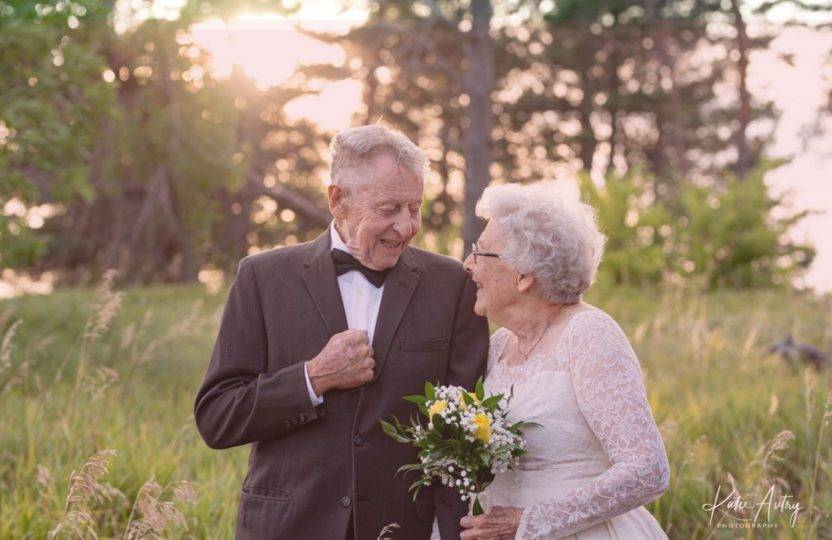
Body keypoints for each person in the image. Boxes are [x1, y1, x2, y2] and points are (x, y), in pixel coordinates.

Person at [194, 124, 489, 539]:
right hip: (287, 528)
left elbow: (465, 438)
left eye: (415, 208)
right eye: (389, 209)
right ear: (338, 200)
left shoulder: (453, 285)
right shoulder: (262, 278)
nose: (405, 227)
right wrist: (313, 378)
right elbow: (217, 417)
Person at [452, 180, 670, 539]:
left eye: (481, 252)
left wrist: (532, 522)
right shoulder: (500, 344)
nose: (467, 264)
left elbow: (648, 468)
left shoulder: (589, 334)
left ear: (523, 276)